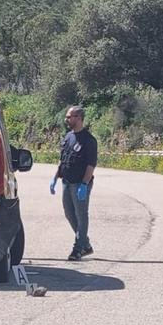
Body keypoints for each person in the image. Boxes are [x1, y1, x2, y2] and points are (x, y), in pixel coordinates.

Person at [49, 106, 98, 261]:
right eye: (67, 117)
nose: (67, 119)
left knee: (81, 215)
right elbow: (63, 159)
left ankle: (78, 249)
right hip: (67, 182)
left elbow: (91, 164)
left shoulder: (89, 140)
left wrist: (84, 184)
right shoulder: (68, 137)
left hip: (80, 183)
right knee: (69, 214)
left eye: (69, 117)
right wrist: (55, 178)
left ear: (79, 118)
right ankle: (86, 245)